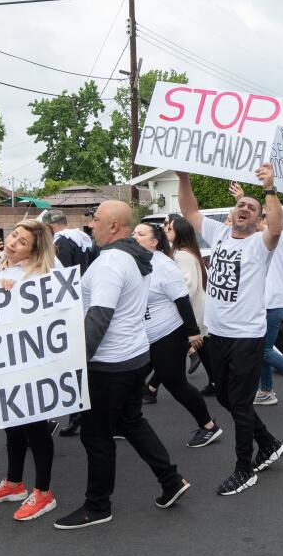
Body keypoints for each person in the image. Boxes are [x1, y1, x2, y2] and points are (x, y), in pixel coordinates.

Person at [54, 200, 190, 530]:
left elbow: (99, 316)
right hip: (134, 356)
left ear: (114, 226)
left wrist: (76, 361)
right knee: (131, 421)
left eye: (96, 219)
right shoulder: (132, 256)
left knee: (96, 437)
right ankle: (171, 480)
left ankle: (98, 506)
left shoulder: (110, 263)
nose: (91, 225)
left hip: (108, 364)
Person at [177, 167, 283, 496]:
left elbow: (278, 228)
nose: (245, 209)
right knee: (225, 396)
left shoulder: (259, 244)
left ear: (258, 220)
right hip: (218, 335)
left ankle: (244, 469)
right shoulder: (221, 234)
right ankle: (267, 442)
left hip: (246, 337)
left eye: (252, 209)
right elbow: (189, 211)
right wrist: (183, 177)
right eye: (242, 205)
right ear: (232, 212)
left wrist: (269, 188)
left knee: (238, 404)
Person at [0, 220, 62, 521]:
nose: (12, 243)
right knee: (11, 424)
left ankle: (44, 492)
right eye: (13, 236)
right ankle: (14, 483)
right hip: (3, 363)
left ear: (35, 249)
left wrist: (14, 294)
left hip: (31, 365)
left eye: (22, 242)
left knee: (35, 428)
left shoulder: (45, 274)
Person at [221, 183, 283, 410]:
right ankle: (266, 390)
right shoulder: (271, 238)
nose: (260, 220)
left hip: (271, 303)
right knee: (262, 347)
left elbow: (250, 226)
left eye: (265, 216)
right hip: (268, 302)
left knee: (262, 349)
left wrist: (245, 199)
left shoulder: (278, 237)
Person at [132, 221, 222, 448]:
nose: (134, 236)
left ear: (154, 242)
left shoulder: (164, 265)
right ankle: (126, 423)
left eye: (140, 234)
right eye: (133, 232)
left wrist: (192, 333)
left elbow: (182, 298)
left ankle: (209, 426)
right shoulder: (136, 262)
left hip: (168, 334)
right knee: (130, 379)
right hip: (145, 335)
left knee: (175, 383)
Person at [166, 215, 217, 397]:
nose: (165, 229)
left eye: (169, 227)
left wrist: (171, 302)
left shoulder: (182, 255)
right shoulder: (186, 252)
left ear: (179, 232)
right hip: (197, 308)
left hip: (192, 309)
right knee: (203, 347)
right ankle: (216, 381)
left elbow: (188, 286)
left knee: (171, 350)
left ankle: (151, 387)